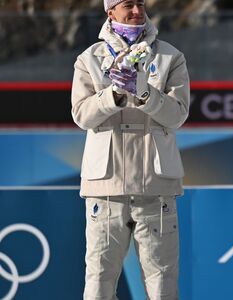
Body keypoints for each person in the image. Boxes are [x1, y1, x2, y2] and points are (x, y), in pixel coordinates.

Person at [71, 0, 189, 298]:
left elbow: (177, 115)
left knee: (162, 283)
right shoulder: (90, 58)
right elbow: (82, 115)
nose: (137, 11)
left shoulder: (170, 57)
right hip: (106, 187)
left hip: (155, 185)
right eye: (127, 5)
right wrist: (113, 94)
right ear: (110, 12)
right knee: (99, 281)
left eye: (140, 3)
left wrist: (144, 91)